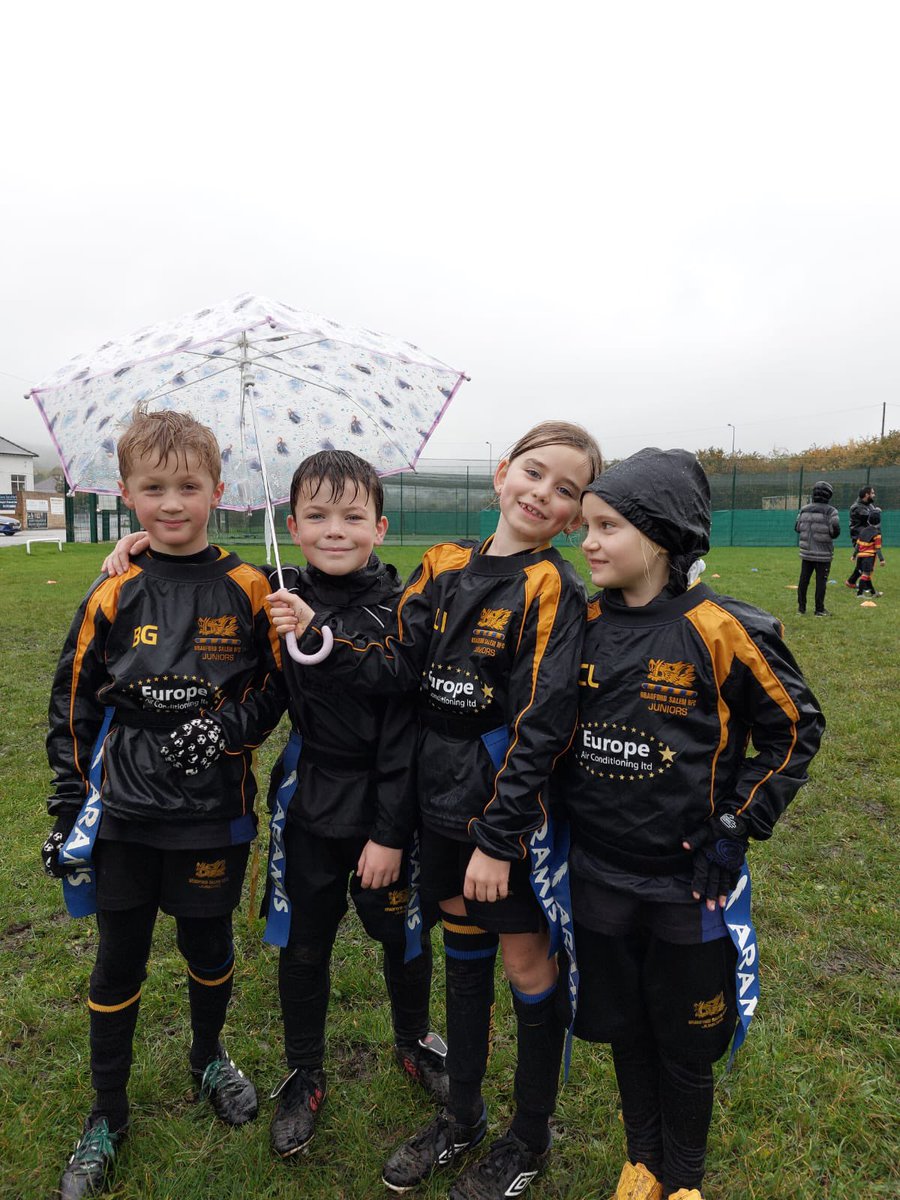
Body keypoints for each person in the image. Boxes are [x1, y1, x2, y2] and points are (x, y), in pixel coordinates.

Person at [269, 421, 602, 1200]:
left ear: (575, 514)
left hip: (499, 822)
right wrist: (320, 638)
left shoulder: (554, 587)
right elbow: (395, 663)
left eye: (566, 490)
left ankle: (529, 1134)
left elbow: (542, 723)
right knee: (462, 951)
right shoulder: (445, 564)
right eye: (532, 472)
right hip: (437, 813)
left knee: (526, 963)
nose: (541, 494)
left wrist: (499, 836)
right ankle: (464, 1118)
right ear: (501, 473)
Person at [103, 449, 449, 1160]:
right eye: (317, 515)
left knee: (399, 933)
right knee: (305, 940)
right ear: (291, 525)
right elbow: (218, 608)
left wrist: (390, 830)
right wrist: (138, 545)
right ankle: (304, 1069)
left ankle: (414, 1039)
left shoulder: (407, 605)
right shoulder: (273, 590)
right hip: (312, 800)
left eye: (352, 516)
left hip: (388, 803)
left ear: (379, 526)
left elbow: (408, 721)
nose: (335, 530)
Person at [555, 448, 825, 1200]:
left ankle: (686, 1182)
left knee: (683, 1040)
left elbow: (795, 728)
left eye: (607, 526)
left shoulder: (724, 629)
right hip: (599, 873)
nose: (589, 541)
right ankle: (642, 1161)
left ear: (663, 535)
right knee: (625, 1026)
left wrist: (737, 824)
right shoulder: (583, 622)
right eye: (585, 526)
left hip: (688, 882)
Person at [43, 406, 286, 1200]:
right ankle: (106, 1113)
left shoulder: (251, 585)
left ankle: (208, 1057)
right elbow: (73, 698)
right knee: (120, 957)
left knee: (208, 947)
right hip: (124, 817)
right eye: (154, 489)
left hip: (214, 815)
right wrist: (67, 805)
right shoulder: (116, 586)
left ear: (220, 489)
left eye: (188, 486)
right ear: (127, 493)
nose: (172, 503)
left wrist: (224, 731)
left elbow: (274, 690)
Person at [794, 480, 840, 616]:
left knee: (804, 580)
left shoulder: (804, 509)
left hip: (806, 552)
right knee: (821, 582)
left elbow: (797, 527)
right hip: (823, 553)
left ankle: (801, 609)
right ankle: (819, 610)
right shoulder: (831, 511)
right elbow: (835, 530)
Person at [846, 485, 877, 589]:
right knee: (867, 562)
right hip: (860, 539)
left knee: (864, 563)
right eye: (872, 493)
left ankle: (851, 582)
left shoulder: (870, 506)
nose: (874, 495)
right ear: (866, 495)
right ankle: (865, 586)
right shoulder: (856, 507)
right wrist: (877, 512)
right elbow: (869, 517)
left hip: (869, 538)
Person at [853, 507, 885, 596]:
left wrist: (854, 555)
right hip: (869, 557)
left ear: (868, 521)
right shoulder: (877, 534)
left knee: (867, 575)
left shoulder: (863, 531)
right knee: (866, 575)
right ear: (879, 522)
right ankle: (859, 594)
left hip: (860, 556)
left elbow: (857, 545)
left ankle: (873, 592)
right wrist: (882, 560)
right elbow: (878, 549)